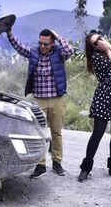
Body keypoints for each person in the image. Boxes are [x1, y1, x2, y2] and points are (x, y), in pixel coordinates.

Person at [7, 26, 74, 178]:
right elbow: (19, 47)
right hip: (38, 100)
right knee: (39, 133)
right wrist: (9, 33)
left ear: (52, 43)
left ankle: (57, 162)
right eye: (40, 43)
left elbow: (70, 51)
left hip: (57, 99)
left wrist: (57, 36)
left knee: (56, 132)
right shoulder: (34, 53)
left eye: (46, 44)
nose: (42, 47)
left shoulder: (59, 52)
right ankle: (40, 165)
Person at [78, 30, 111, 182]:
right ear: (93, 47)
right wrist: (108, 50)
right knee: (98, 133)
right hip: (104, 95)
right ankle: (85, 168)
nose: (99, 42)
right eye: (96, 42)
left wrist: (109, 46)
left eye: (100, 39)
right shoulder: (95, 57)